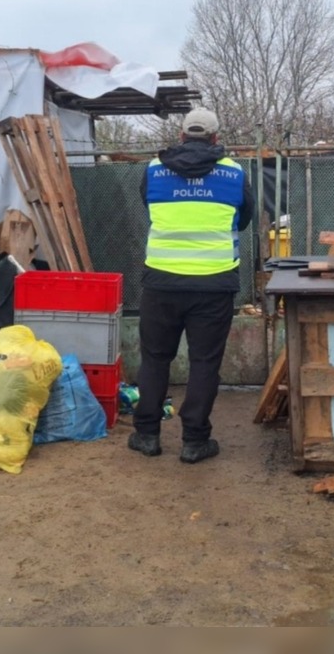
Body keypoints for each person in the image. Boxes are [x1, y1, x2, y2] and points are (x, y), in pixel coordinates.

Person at [128, 107, 254, 463]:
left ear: (182, 135)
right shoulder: (234, 173)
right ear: (215, 139)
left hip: (162, 282)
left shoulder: (154, 170)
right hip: (214, 284)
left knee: (155, 359)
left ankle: (147, 435)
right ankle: (195, 442)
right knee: (204, 363)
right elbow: (243, 219)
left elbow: (150, 208)